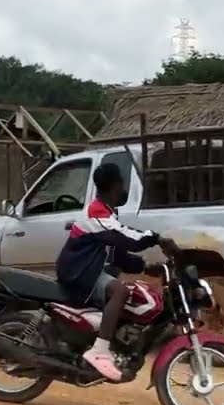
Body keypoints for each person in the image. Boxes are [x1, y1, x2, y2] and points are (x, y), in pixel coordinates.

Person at [55, 162, 176, 381]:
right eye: (122, 184)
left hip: (87, 270)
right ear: (114, 185)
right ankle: (100, 351)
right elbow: (127, 238)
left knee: (129, 289)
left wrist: (146, 268)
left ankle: (111, 342)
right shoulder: (97, 214)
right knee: (121, 291)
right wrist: (157, 238)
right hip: (78, 273)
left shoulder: (106, 214)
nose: (124, 189)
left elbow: (118, 255)